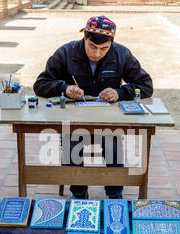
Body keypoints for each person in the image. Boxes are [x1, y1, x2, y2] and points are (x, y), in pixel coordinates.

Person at [33, 15, 153, 199]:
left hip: (109, 121)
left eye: (104, 48)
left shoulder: (122, 54)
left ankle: (114, 196)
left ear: (112, 43)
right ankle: (79, 195)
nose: (97, 53)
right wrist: (64, 88)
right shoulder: (66, 53)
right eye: (92, 46)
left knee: (113, 145)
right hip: (73, 121)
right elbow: (40, 84)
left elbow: (145, 86)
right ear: (84, 37)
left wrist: (120, 92)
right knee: (72, 146)